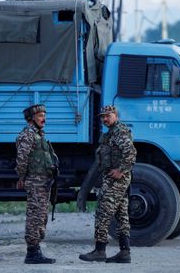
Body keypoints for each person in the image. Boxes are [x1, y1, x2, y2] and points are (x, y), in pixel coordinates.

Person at [79, 105, 137, 263]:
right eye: (102, 117)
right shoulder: (110, 134)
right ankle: (125, 253)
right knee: (121, 215)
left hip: (116, 180)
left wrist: (121, 171)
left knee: (102, 214)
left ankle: (99, 251)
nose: (105, 119)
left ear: (116, 116)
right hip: (114, 178)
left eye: (108, 116)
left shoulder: (119, 132)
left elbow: (131, 153)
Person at [15, 104, 57, 264]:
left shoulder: (39, 135)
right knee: (35, 215)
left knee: (41, 216)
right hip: (35, 181)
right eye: (40, 115)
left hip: (43, 182)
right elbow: (21, 158)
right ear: (31, 119)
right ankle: (32, 253)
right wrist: (22, 177)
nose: (44, 118)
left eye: (44, 115)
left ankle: (36, 249)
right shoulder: (28, 135)